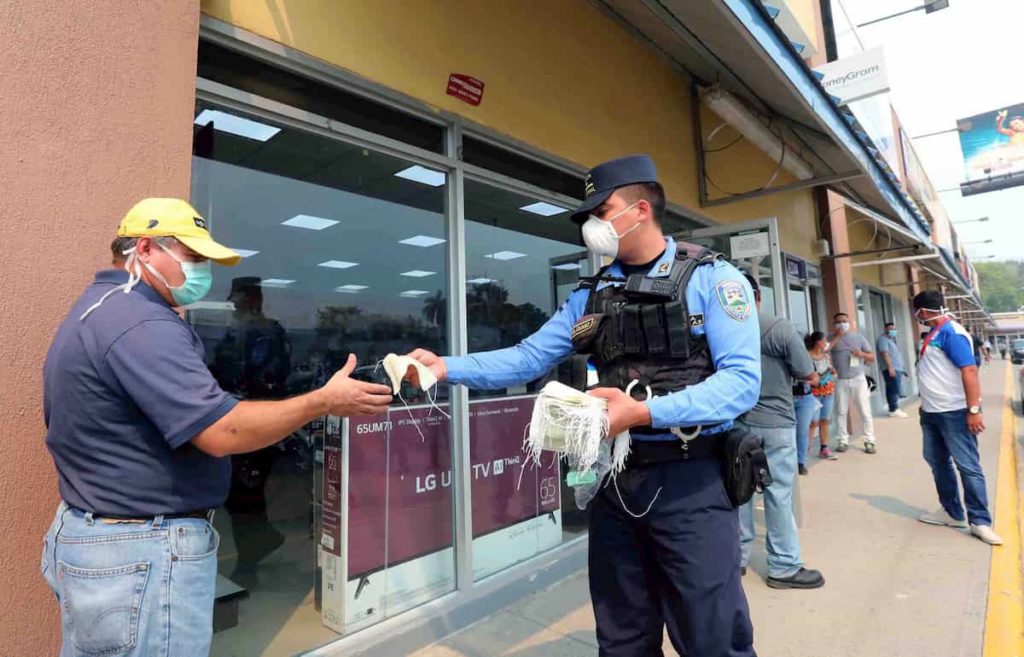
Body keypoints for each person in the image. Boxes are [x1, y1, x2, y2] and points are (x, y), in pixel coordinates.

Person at [404, 156, 762, 656]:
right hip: (617, 482)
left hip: (692, 481)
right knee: (621, 637)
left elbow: (742, 384)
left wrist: (641, 413)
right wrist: (446, 367)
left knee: (711, 636)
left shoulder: (713, 280)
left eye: (602, 210)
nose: (592, 226)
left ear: (639, 210)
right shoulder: (592, 297)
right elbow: (529, 356)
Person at [40, 198, 393, 657]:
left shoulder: (100, 308)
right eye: (194, 257)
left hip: (107, 539)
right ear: (145, 249)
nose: (203, 272)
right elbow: (222, 431)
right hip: (141, 552)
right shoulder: (139, 322)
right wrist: (322, 401)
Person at [737, 274, 824, 588]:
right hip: (775, 424)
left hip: (737, 424)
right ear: (758, 296)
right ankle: (784, 567)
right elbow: (808, 373)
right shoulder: (778, 328)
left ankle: (737, 560)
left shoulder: (721, 330)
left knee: (739, 493)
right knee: (778, 495)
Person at [211, 277, 293, 583]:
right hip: (235, 419)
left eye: (239, 302)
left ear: (254, 301)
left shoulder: (266, 333)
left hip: (257, 423)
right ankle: (261, 542)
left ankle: (249, 563)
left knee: (245, 495)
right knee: (242, 496)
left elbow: (264, 379)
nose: (234, 307)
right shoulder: (240, 332)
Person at [913, 291, 1002, 545]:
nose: (916, 316)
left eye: (917, 311)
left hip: (954, 413)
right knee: (938, 461)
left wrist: (973, 410)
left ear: (924, 311)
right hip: (931, 413)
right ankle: (952, 512)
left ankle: (980, 521)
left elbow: (970, 370)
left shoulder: (952, 333)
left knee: (968, 466)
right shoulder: (934, 333)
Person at [830, 312, 877, 453]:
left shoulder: (858, 337)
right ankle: (842, 440)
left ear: (849, 322)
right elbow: (824, 351)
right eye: (839, 321)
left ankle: (869, 440)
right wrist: (837, 337)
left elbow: (872, 357)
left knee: (864, 411)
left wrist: (861, 354)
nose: (842, 324)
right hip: (840, 379)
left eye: (845, 321)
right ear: (834, 324)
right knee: (841, 411)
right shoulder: (830, 338)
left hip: (858, 378)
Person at [806, 332, 838, 461]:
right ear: (818, 342)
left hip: (828, 392)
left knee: (824, 420)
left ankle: (824, 448)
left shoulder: (826, 356)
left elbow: (832, 371)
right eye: (825, 341)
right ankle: (805, 450)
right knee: (813, 422)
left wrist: (833, 372)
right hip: (813, 394)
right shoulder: (807, 357)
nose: (826, 343)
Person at [877, 321, 908, 418]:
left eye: (894, 329)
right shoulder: (883, 340)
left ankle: (893, 408)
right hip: (891, 368)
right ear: (885, 329)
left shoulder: (891, 340)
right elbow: (884, 353)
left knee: (895, 387)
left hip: (897, 368)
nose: (893, 331)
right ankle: (894, 409)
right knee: (893, 388)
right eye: (891, 329)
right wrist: (890, 367)